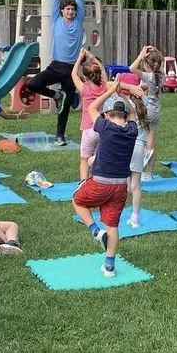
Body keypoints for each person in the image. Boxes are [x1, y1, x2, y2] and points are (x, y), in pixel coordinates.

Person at [72, 77, 141, 277]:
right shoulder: (132, 130)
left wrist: (110, 91)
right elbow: (134, 114)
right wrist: (121, 94)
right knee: (112, 226)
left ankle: (94, 230)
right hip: (120, 187)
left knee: (77, 200)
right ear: (125, 117)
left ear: (108, 115)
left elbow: (91, 107)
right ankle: (109, 266)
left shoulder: (105, 126)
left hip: (100, 183)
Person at [24, 0, 85, 146]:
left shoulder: (78, 20)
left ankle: (60, 135)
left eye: (73, 9)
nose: (71, 11)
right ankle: (55, 95)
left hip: (71, 69)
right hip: (56, 65)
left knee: (65, 107)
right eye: (68, 9)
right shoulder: (56, 20)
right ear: (61, 11)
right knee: (33, 83)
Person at [72, 49, 109, 181]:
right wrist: (92, 57)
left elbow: (73, 75)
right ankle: (94, 181)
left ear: (86, 78)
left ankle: (83, 184)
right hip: (102, 128)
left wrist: (80, 57)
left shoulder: (85, 89)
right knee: (95, 159)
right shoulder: (104, 86)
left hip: (88, 130)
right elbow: (102, 70)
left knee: (84, 159)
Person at [130, 44, 164, 179]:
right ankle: (149, 173)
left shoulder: (148, 76)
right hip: (155, 113)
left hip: (145, 111)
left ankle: (136, 166)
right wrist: (156, 52)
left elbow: (132, 68)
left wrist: (140, 56)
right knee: (151, 144)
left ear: (146, 63)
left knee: (139, 139)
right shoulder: (161, 75)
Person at [125, 93, 151, 228]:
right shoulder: (144, 103)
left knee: (127, 183)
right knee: (135, 184)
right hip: (139, 146)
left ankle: (130, 214)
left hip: (128, 145)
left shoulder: (127, 104)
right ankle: (135, 216)